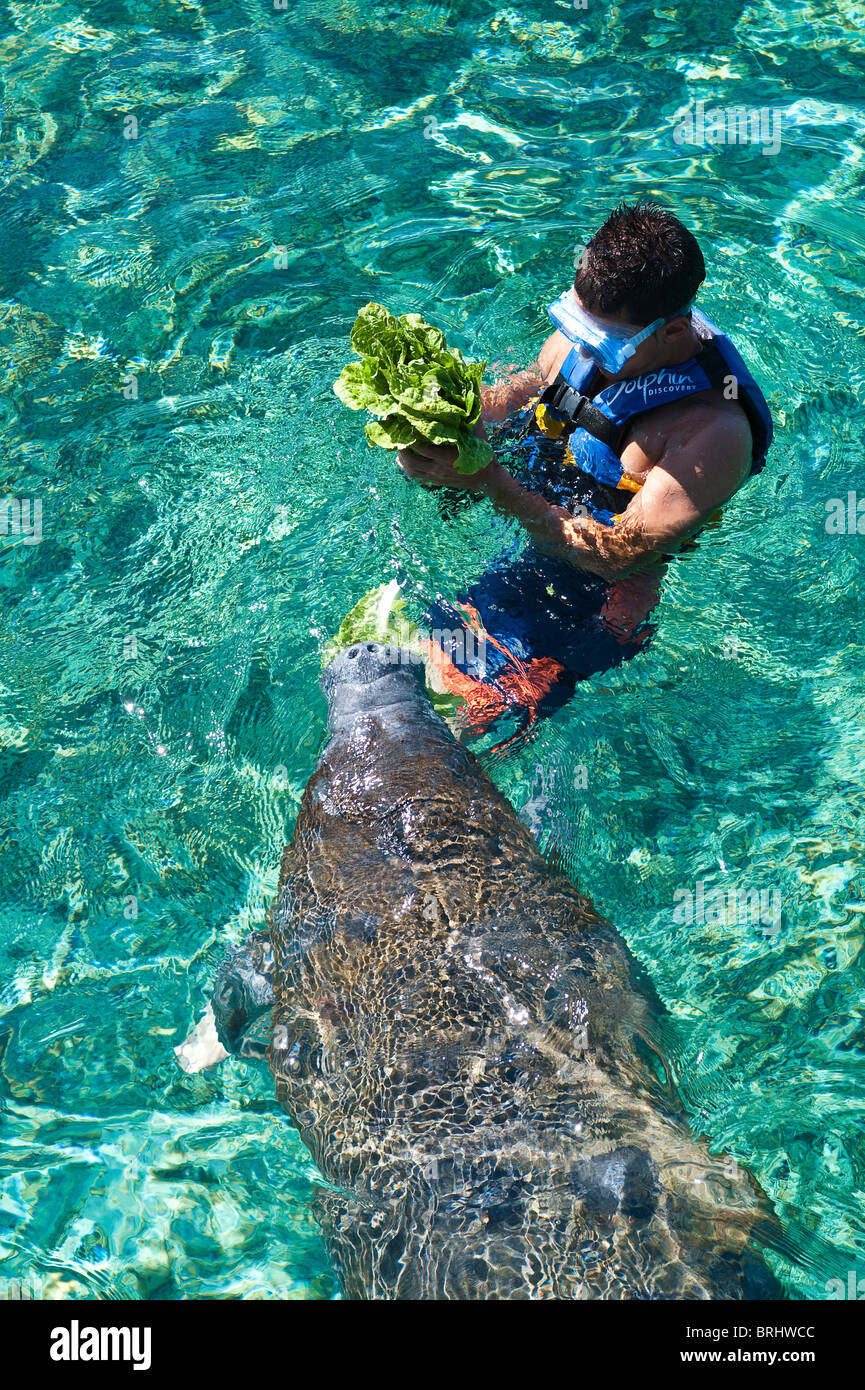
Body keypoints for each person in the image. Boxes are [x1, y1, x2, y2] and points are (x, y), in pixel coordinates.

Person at [397, 200, 773, 748]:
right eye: (573, 326)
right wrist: (440, 424)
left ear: (671, 334)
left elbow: (622, 554)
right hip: (536, 496)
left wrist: (491, 485)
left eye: (603, 345)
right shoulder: (587, 333)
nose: (584, 352)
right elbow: (519, 393)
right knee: (413, 650)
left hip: (594, 590)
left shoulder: (712, 433)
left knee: (481, 722)